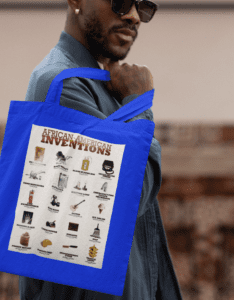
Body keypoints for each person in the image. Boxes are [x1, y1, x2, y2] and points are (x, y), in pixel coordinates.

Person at [20, 0, 183, 299]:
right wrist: (138, 104)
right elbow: (126, 196)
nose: (134, 16)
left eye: (143, 7)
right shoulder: (63, 85)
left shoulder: (100, 85)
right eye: (120, 2)